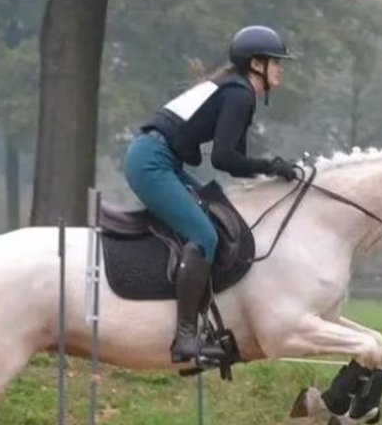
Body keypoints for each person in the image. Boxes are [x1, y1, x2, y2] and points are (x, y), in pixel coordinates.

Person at [122, 24, 302, 366]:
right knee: (203, 234)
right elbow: (223, 158)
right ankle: (186, 338)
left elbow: (235, 164)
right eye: (276, 62)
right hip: (152, 162)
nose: (281, 69)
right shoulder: (240, 94)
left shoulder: (235, 90)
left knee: (216, 216)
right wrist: (272, 165)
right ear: (256, 64)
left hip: (159, 159)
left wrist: (273, 169)